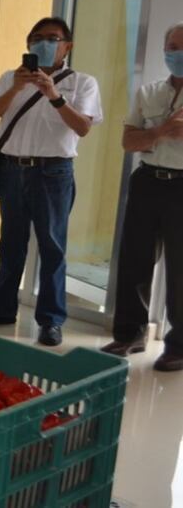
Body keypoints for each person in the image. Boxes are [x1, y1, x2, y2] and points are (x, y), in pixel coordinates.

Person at [0, 17, 103, 346]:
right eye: (37, 38)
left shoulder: (83, 83)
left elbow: (83, 128)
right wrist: (17, 87)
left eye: (52, 38)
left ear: (66, 46)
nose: (43, 43)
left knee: (52, 248)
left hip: (53, 173)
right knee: (10, 245)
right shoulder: (10, 78)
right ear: (28, 45)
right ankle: (1, 309)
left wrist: (54, 95)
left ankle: (51, 320)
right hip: (13, 169)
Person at [100, 23, 183, 372]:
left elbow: (139, 136)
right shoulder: (148, 93)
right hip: (147, 180)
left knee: (181, 268)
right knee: (134, 259)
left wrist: (151, 135)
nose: (176, 54)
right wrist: (161, 131)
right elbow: (128, 142)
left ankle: (177, 345)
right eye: (173, 46)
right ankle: (129, 333)